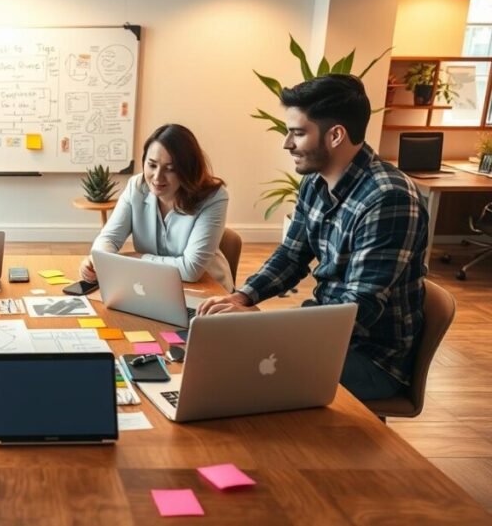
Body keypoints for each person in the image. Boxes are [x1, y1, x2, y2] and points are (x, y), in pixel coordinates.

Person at [197, 74, 428, 401]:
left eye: (298, 133)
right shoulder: (316, 183)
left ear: (335, 135)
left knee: (237, 373)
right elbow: (291, 256)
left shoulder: (389, 199)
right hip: (324, 334)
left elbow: (357, 308)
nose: (286, 143)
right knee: (219, 349)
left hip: (370, 358)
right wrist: (242, 298)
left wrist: (263, 328)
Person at [79, 124, 233, 291]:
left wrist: (136, 259)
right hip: (155, 287)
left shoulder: (214, 197)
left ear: (188, 170)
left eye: (171, 169)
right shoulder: (136, 187)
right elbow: (108, 238)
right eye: (152, 165)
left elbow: (190, 270)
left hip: (209, 293)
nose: (157, 177)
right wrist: (98, 260)